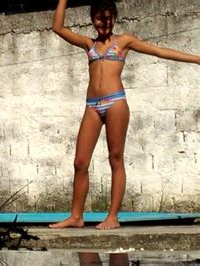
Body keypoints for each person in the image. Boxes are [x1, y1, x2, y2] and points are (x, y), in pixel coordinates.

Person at [49, 0, 200, 230]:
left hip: (116, 103)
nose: (104, 23)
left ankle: (112, 217)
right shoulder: (88, 44)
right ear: (92, 19)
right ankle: (76, 216)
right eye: (100, 18)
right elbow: (58, 28)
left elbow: (158, 51)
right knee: (80, 162)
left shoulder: (123, 41)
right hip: (92, 105)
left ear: (115, 18)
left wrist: (196, 58)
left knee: (115, 158)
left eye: (108, 18)